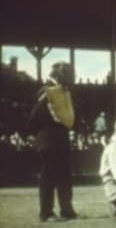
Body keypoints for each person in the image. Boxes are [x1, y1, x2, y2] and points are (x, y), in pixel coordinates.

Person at [26, 62, 78, 222]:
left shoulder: (62, 91)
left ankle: (66, 210)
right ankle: (46, 213)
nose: (72, 77)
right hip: (49, 139)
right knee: (48, 178)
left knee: (65, 176)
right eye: (69, 74)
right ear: (60, 75)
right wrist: (36, 136)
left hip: (60, 138)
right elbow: (34, 117)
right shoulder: (48, 91)